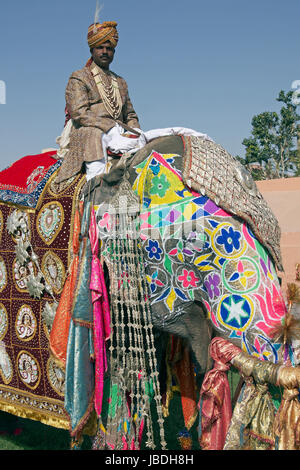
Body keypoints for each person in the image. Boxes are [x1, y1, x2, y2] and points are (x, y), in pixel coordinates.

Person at [56, 21, 144, 183]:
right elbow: (79, 113)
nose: (105, 52)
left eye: (109, 48)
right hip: (88, 132)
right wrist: (110, 128)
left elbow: (130, 114)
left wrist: (135, 132)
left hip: (119, 134)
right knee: (94, 135)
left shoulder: (121, 82)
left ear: (114, 52)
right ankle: (95, 187)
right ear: (92, 50)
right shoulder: (79, 77)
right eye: (100, 48)